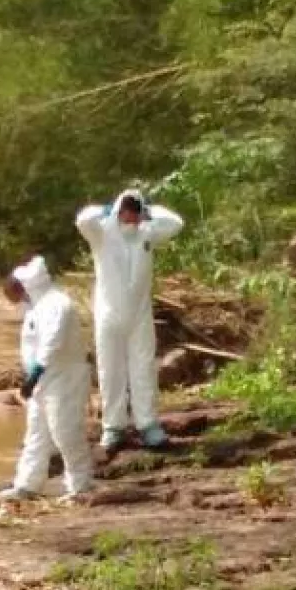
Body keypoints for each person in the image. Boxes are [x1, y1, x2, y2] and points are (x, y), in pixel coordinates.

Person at [76, 188, 184, 452]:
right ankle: (113, 426)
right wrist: (106, 210)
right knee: (110, 370)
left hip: (139, 315)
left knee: (143, 367)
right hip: (109, 314)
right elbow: (82, 220)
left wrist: (150, 210)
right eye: (126, 211)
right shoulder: (102, 233)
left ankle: (148, 424)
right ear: (118, 211)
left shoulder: (147, 233)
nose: (131, 218)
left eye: (135, 212)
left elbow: (176, 223)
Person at [0, 255, 95, 502]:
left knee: (65, 430)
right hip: (43, 378)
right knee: (36, 432)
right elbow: (32, 344)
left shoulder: (57, 305)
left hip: (65, 377)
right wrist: (32, 375)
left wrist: (36, 374)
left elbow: (52, 343)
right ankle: (27, 484)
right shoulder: (35, 307)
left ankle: (80, 484)